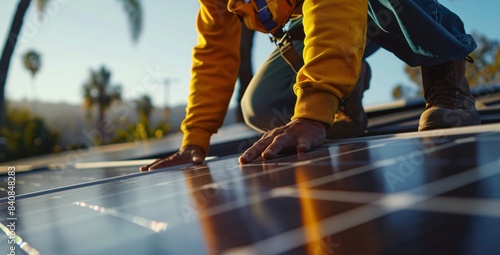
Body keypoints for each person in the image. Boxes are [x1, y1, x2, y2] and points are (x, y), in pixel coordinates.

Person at [140, 0, 479, 171]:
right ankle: (348, 92)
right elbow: (213, 57)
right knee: (261, 105)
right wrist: (194, 141)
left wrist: (314, 109)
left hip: (359, 10)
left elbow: (332, 8)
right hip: (318, 26)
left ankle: (446, 80)